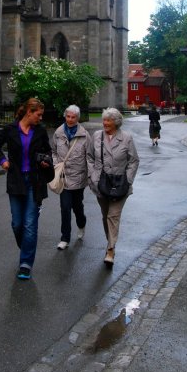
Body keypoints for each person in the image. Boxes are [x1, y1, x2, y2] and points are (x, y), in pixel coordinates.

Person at [0, 97, 54, 280]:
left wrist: (44, 160)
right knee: (17, 224)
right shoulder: (11, 129)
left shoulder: (40, 131)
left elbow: (48, 151)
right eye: (38, 114)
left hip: (35, 181)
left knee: (29, 224)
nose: (40, 118)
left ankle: (25, 263)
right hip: (16, 181)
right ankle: (26, 245)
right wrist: (3, 160)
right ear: (29, 112)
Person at [87, 107, 139, 267]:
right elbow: (89, 156)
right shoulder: (96, 136)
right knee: (105, 216)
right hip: (101, 184)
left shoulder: (126, 138)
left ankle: (110, 249)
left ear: (116, 122)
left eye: (108, 120)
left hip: (120, 185)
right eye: (104, 120)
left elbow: (133, 161)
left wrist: (128, 179)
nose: (105, 123)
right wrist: (93, 176)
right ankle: (110, 241)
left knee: (113, 216)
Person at [51, 104, 91, 249]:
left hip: (79, 177)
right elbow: (53, 151)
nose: (70, 119)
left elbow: (89, 156)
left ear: (78, 118)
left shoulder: (84, 135)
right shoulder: (58, 132)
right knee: (65, 207)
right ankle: (65, 238)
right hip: (64, 177)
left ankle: (81, 223)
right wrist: (56, 164)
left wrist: (91, 175)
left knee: (77, 207)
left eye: (73, 117)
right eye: (68, 116)